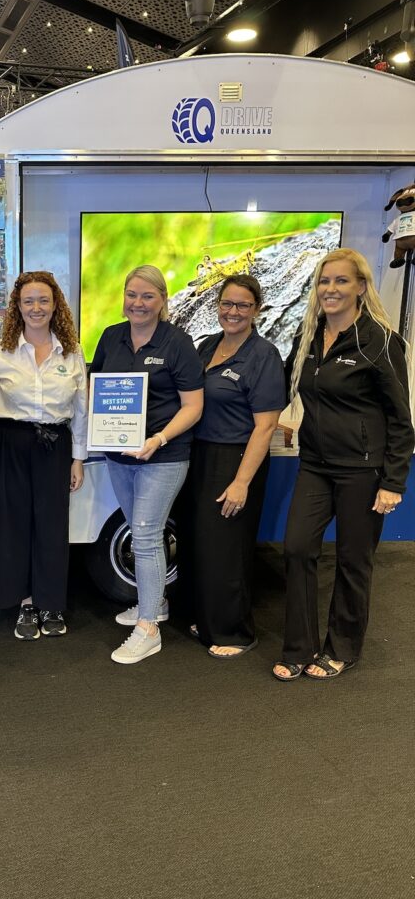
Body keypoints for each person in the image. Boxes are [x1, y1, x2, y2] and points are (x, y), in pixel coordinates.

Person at [273, 248, 414, 681]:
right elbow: (291, 388)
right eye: (324, 281)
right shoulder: (308, 338)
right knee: (297, 548)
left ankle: (342, 647)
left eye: (340, 281)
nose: (330, 289)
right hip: (315, 464)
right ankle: (299, 647)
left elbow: (400, 420)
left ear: (360, 288)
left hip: (363, 471)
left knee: (354, 561)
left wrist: (393, 482)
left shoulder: (381, 342)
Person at [90, 265, 204, 665]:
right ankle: (151, 604)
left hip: (164, 455)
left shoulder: (178, 343)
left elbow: (193, 407)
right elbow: (95, 387)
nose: (137, 303)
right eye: (131, 294)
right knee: (139, 527)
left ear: (162, 301)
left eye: (147, 296)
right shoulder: (110, 337)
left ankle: (148, 629)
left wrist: (157, 439)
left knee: (145, 532)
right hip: (118, 455)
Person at [0, 270, 88, 639]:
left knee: (52, 527)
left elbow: (82, 408)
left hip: (55, 446)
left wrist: (78, 458)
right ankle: (24, 603)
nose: (36, 308)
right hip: (9, 444)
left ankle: (51, 602)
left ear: (56, 305)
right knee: (12, 526)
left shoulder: (71, 352)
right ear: (17, 307)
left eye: (44, 300)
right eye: (28, 301)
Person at [178, 275, 285, 658]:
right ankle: (205, 620)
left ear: (256, 310)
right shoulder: (207, 346)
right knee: (199, 544)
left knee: (227, 549)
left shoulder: (264, 355)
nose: (233, 312)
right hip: (199, 455)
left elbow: (267, 425)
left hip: (236, 459)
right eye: (227, 303)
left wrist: (241, 482)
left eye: (242, 305)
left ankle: (234, 632)